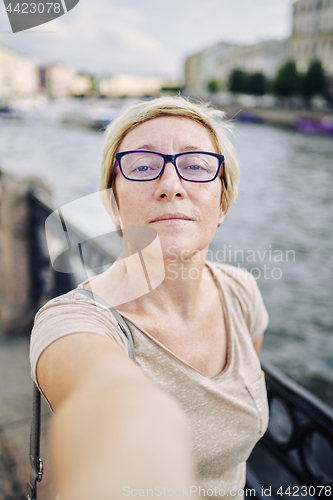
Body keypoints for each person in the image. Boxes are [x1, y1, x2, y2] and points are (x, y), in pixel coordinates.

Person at [30, 96, 269, 500]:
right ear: (113, 205)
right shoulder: (73, 321)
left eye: (195, 166)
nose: (171, 186)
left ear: (223, 202)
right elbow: (107, 398)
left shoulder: (241, 292)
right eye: (142, 167)